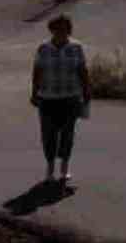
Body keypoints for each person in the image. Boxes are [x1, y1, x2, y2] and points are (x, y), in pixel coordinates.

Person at [30, 14, 91, 184]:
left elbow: (83, 70)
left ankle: (64, 168)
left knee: (67, 134)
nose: (62, 31)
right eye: (58, 28)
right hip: (47, 98)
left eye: (66, 28)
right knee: (48, 134)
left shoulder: (76, 47)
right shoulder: (43, 48)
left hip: (70, 97)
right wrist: (34, 93)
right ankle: (50, 168)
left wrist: (87, 91)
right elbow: (37, 71)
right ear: (52, 29)